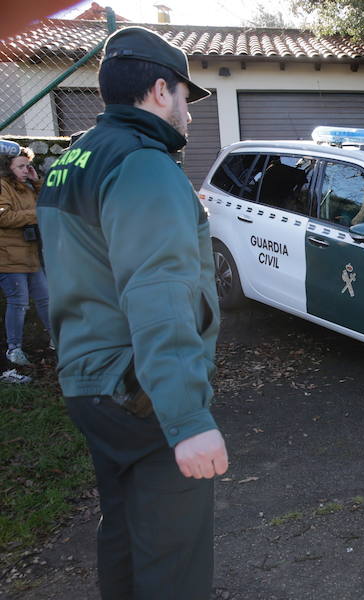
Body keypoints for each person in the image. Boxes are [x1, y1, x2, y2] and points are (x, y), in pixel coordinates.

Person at [36, 26, 228, 599]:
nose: (190, 117)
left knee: (121, 529)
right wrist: (187, 420)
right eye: (186, 101)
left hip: (89, 382)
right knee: (174, 558)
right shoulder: (144, 164)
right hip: (141, 388)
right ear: (160, 90)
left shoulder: (73, 159)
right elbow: (159, 291)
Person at [0, 145, 51, 369]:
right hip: (9, 257)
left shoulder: (27, 186)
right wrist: (35, 215)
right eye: (20, 166)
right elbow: (4, 217)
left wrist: (36, 180)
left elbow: (48, 201)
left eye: (28, 165)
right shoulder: (3, 186)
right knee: (18, 303)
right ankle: (14, 349)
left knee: (45, 298)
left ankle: (58, 340)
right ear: (7, 167)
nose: (25, 169)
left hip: (31, 254)